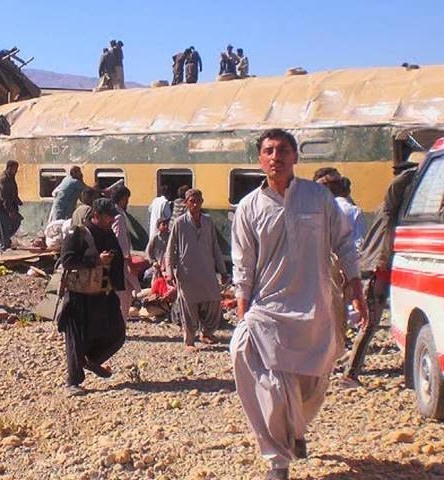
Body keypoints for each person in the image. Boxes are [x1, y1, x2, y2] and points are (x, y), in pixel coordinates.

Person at [229, 129, 365, 480]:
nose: (276, 157)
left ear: (295, 157)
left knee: (312, 383)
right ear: (260, 159)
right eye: (269, 151)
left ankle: (296, 430)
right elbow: (243, 262)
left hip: (315, 305)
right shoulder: (249, 207)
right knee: (259, 370)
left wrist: (356, 285)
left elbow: (344, 242)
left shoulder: (318, 197)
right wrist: (243, 311)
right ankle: (278, 460)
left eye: (283, 150)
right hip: (268, 308)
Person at [340, 161, 418, 388]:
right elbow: (397, 186)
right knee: (369, 324)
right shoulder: (389, 208)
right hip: (376, 270)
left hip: (376, 270)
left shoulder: (391, 209)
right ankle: (349, 375)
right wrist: (416, 171)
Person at [56, 197, 126, 396]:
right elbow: (68, 260)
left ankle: (92, 360)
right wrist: (96, 260)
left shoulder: (109, 234)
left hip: (103, 293)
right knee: (75, 339)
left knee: (117, 333)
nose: (112, 219)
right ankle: (73, 381)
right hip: (79, 295)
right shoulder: (78, 233)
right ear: (96, 215)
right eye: (108, 216)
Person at [165, 189, 228, 350]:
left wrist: (222, 270)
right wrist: (169, 272)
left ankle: (206, 333)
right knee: (188, 307)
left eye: (198, 201)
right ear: (186, 203)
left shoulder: (208, 221)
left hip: (207, 270)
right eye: (192, 201)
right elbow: (170, 249)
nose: (195, 204)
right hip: (187, 272)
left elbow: (215, 247)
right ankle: (189, 341)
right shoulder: (180, 223)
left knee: (214, 301)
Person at [111, 186, 140, 321]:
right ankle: (120, 322)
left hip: (114, 260)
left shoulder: (110, 213)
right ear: (123, 199)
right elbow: (120, 240)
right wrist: (129, 262)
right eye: (126, 199)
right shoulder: (119, 217)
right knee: (124, 294)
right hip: (120, 262)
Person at [0, 160, 23, 251]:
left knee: (17, 221)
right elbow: (4, 197)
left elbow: (13, 192)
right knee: (3, 228)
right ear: (9, 168)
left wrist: (18, 201)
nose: (16, 171)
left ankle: (4, 240)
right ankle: (3, 247)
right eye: (14, 169)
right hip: (1, 208)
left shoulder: (11, 178)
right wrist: (10, 211)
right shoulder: (3, 179)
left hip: (10, 206)